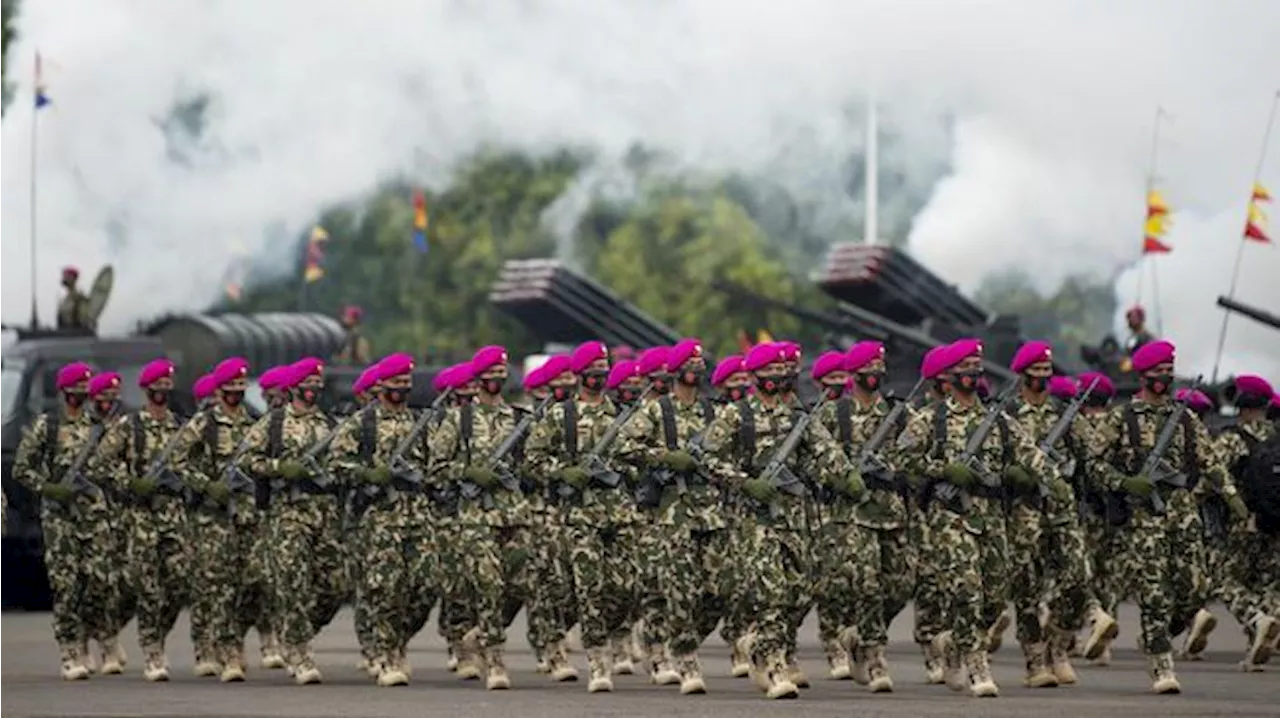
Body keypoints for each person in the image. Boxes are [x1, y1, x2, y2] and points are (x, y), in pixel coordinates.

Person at [1084, 339, 1249, 694]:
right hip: (1145, 518)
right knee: (1154, 591)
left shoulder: (1185, 417)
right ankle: (1161, 664)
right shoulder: (1121, 418)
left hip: (1184, 514)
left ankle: (1159, 634)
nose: (1166, 377)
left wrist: (1233, 498)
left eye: (1169, 371)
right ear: (1144, 375)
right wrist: (1125, 481)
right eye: (1159, 371)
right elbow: (1093, 464)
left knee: (1196, 588)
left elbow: (1210, 461)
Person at [700, 342, 854, 700]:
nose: (780, 378)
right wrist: (745, 482)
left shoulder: (798, 418)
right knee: (773, 592)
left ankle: (763, 643)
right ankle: (772, 665)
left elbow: (826, 451)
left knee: (801, 592)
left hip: (796, 516)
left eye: (784, 371)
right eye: (772, 372)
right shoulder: (736, 416)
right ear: (756, 377)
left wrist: (846, 478)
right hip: (753, 519)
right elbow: (708, 458)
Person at [12, 362, 115, 680]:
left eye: (84, 394)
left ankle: (87, 635)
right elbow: (21, 468)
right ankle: (70, 650)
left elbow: (114, 465)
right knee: (66, 584)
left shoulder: (98, 426)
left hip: (93, 515)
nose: (81, 399)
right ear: (64, 393)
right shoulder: (48, 426)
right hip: (60, 519)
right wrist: (50, 487)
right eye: (75, 394)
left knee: (98, 581)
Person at [88, 359, 187, 682]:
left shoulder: (179, 427)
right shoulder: (130, 427)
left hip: (172, 514)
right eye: (156, 388)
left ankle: (153, 632)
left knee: (179, 581)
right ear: (146, 390)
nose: (162, 392)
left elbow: (196, 464)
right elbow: (100, 463)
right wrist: (129, 482)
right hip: (140, 516)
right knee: (146, 586)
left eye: (166, 387)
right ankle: (152, 650)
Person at [168, 356, 259, 681]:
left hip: (247, 517)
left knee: (250, 583)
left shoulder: (253, 424)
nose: (236, 396)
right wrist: (207, 485)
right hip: (212, 519)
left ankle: (233, 640)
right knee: (218, 586)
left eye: (240, 390)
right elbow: (175, 461)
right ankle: (227, 651)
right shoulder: (203, 424)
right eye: (231, 391)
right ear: (219, 392)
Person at [56, 267, 94, 331]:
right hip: (63, 333)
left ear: (73, 278)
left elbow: (84, 319)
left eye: (67, 276)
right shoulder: (63, 300)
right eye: (64, 276)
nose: (64, 278)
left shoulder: (80, 298)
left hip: (76, 334)